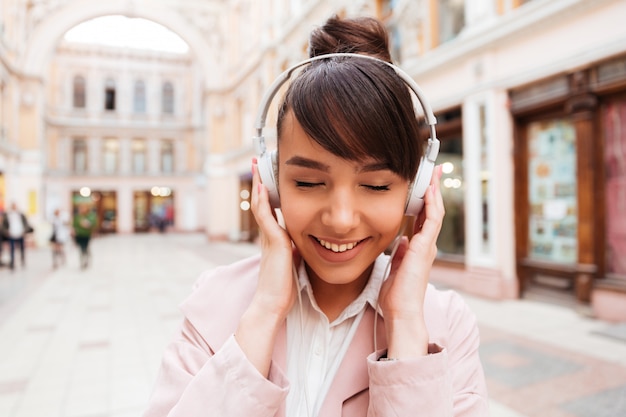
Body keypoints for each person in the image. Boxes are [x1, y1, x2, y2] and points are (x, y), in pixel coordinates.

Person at [143, 15, 488, 417]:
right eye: (307, 183)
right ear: (270, 184)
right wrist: (265, 309)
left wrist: (407, 325)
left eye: (376, 186)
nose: (340, 220)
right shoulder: (216, 302)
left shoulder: (446, 324)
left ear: (415, 192)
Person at [2, 202, 33, 270]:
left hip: (20, 233)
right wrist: (6, 232)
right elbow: (3, 225)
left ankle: (22, 260)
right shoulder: (7, 215)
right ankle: (12, 262)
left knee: (22, 248)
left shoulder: (20, 215)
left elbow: (26, 223)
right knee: (12, 249)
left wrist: (24, 231)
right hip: (11, 234)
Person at [72, 203, 97, 269]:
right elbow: (74, 226)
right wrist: (73, 233)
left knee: (86, 247)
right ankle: (82, 261)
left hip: (87, 235)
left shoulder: (90, 216)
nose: (82, 210)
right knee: (81, 248)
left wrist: (87, 225)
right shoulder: (78, 217)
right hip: (79, 235)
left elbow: (93, 225)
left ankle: (86, 259)